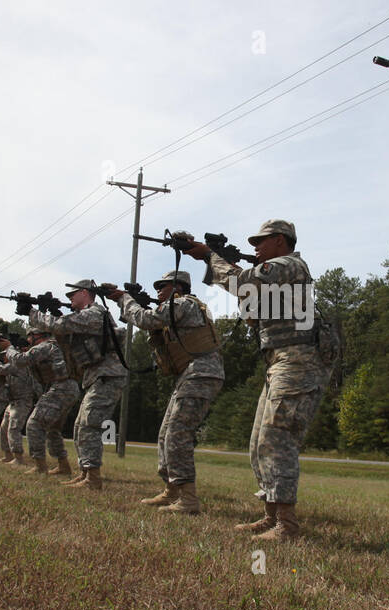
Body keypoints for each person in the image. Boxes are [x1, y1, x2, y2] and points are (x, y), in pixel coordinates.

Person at [182, 221, 331, 540]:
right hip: (280, 361)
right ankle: (271, 515)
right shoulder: (273, 276)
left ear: (280, 241)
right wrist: (222, 263)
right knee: (259, 441)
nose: (256, 248)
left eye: (261, 242)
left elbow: (243, 282)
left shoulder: (290, 264)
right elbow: (250, 311)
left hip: (298, 359)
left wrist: (211, 257)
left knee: (277, 437)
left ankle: (287, 525)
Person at [108, 271, 225, 514]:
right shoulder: (178, 309)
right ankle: (172, 490)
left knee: (177, 434)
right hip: (190, 376)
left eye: (163, 286)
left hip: (200, 374)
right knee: (165, 435)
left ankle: (188, 499)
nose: (159, 291)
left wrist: (124, 299)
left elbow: (143, 319)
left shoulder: (182, 304)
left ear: (178, 288)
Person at [29, 280, 128, 491]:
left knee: (89, 424)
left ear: (85, 293)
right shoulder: (85, 316)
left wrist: (33, 313)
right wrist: (52, 311)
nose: (70, 299)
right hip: (96, 376)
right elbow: (64, 331)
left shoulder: (95, 312)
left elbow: (61, 325)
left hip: (107, 375)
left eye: (72, 294)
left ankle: (92, 478)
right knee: (79, 425)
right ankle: (85, 472)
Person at [10, 327, 80, 476]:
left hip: (61, 388)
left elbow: (20, 360)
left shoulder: (45, 346)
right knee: (53, 429)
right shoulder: (54, 346)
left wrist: (9, 348)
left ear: (37, 336)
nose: (28, 341)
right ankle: (63, 466)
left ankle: (40, 467)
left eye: (29, 337)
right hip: (68, 388)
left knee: (34, 424)